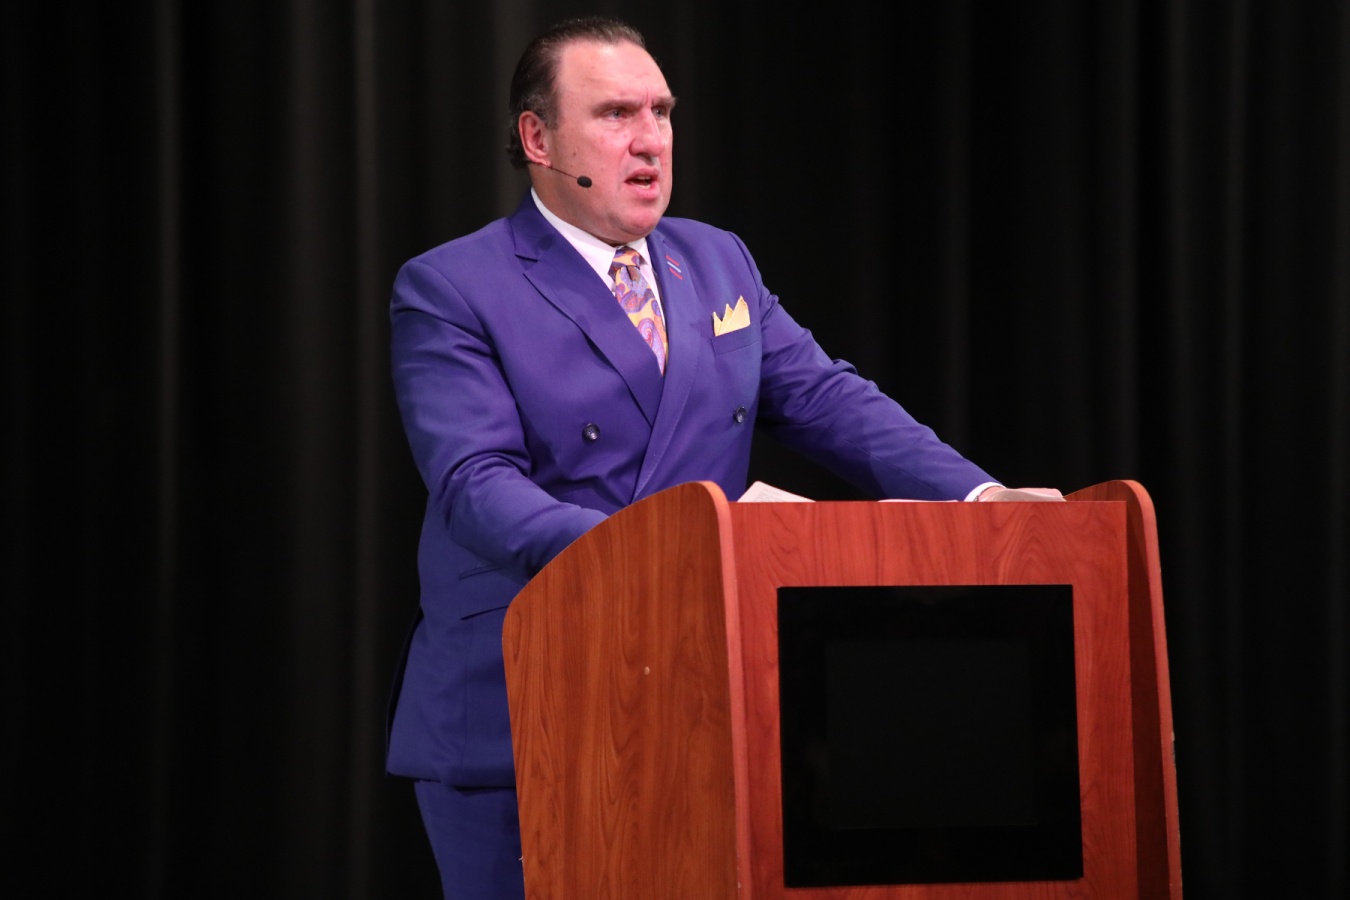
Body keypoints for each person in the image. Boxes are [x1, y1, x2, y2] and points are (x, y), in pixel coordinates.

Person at [386, 15, 1057, 899]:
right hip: (528, 704)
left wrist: (979, 498)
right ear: (538, 140)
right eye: (617, 114)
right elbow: (476, 487)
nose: (651, 140)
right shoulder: (453, 286)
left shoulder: (718, 261)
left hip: (701, 694)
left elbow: (825, 398)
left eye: (662, 112)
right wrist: (667, 553)